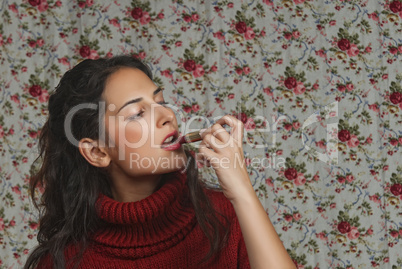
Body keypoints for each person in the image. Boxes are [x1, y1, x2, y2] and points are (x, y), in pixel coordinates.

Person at [24, 55, 295, 269]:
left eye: (161, 101)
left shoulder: (222, 216)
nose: (166, 115)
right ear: (97, 153)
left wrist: (242, 192)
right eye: (137, 113)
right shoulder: (65, 261)